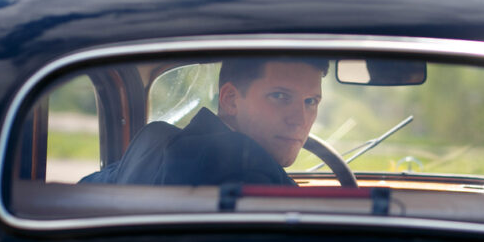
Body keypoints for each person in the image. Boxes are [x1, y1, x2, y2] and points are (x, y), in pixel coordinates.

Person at [79, 58, 328, 186]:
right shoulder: (249, 170)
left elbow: (86, 189)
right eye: (280, 97)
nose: (300, 120)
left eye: (311, 102)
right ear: (230, 99)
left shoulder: (153, 139)